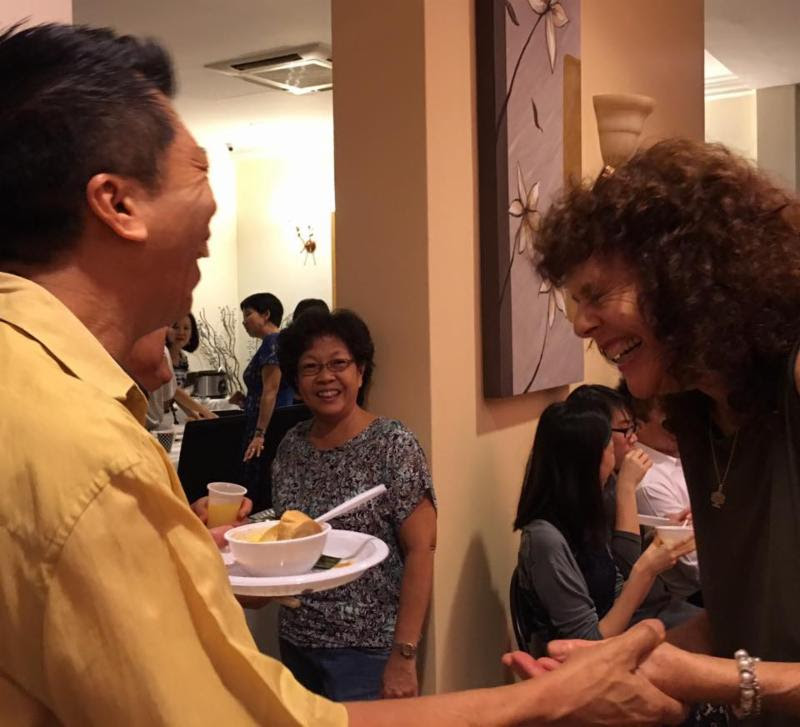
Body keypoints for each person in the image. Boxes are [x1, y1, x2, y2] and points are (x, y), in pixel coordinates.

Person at [0, 21, 691, 726]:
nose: (213, 209)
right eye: (200, 170)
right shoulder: (93, 455)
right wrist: (552, 697)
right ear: (117, 204)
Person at [533, 137, 800, 723]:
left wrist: (709, 678)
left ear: (687, 276)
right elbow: (742, 624)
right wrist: (608, 669)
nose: (580, 325)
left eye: (596, 295)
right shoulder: (697, 414)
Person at [273, 309, 435, 701]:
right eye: (310, 367)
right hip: (296, 641)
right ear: (296, 381)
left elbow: (422, 549)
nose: (325, 377)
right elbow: (286, 530)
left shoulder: (392, 444)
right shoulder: (291, 446)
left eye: (338, 364)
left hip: (367, 651)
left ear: (360, 372)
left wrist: (404, 655)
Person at [514, 400, 694, 655]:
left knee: (718, 627)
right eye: (610, 447)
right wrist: (646, 569)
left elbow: (614, 589)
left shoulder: (584, 510)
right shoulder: (545, 540)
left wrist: (659, 542)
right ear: (588, 461)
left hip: (627, 632)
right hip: (588, 660)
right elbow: (588, 643)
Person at [618, 382, 701, 600]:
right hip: (700, 596)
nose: (680, 424)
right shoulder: (650, 482)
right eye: (668, 420)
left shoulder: (680, 453)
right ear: (638, 426)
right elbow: (696, 568)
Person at [239, 293, 294, 476]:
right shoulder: (279, 342)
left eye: (248, 314)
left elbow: (271, 390)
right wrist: (244, 400)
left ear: (266, 314)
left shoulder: (272, 341)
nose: (244, 322)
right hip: (272, 422)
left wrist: (259, 434)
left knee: (259, 477)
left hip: (268, 427)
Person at [167, 312, 199, 388]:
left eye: (186, 328)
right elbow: (170, 390)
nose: (181, 332)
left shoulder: (183, 358)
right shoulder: (161, 356)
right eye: (175, 327)